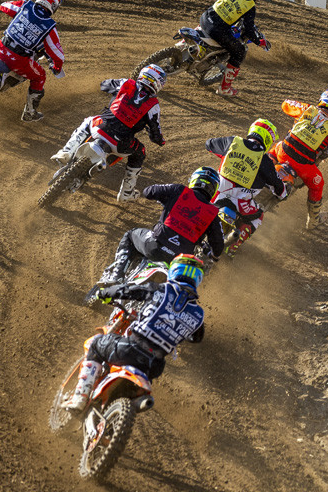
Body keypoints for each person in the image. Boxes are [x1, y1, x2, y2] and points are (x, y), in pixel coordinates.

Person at [62, 254, 206, 412]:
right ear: (198, 278)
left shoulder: (161, 289)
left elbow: (128, 290)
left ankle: (80, 398)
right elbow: (196, 338)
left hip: (130, 349)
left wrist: (104, 293)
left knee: (96, 344)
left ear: (175, 270)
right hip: (154, 366)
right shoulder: (199, 315)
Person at [91, 167, 225, 292]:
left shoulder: (179, 190)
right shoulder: (213, 214)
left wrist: (164, 199)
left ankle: (116, 275)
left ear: (194, 179)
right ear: (214, 190)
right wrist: (213, 255)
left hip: (155, 245)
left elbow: (148, 191)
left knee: (130, 235)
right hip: (178, 261)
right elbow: (218, 246)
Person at [50, 64, 167, 202]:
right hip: (121, 144)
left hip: (101, 128)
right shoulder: (154, 106)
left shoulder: (125, 83)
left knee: (89, 120)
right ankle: (126, 191)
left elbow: (104, 85)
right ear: (157, 82)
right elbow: (156, 135)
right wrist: (160, 141)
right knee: (140, 151)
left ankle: (66, 152)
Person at [205, 118, 290, 250]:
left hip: (216, 194)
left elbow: (209, 144)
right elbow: (280, 190)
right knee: (258, 217)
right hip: (240, 204)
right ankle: (232, 248)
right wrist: (283, 194)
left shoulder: (233, 141)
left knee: (200, 189)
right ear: (268, 139)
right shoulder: (265, 161)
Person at [272, 89, 328, 230]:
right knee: (318, 185)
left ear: (321, 100)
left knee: (274, 149)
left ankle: (255, 171)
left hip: (283, 154)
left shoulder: (307, 109)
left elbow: (286, 104)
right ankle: (313, 221)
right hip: (304, 167)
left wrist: (296, 108)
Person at [200, 0, 271, 97]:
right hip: (217, 30)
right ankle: (224, 88)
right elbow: (249, 30)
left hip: (205, 19)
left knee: (215, 29)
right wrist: (259, 41)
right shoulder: (250, 7)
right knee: (240, 52)